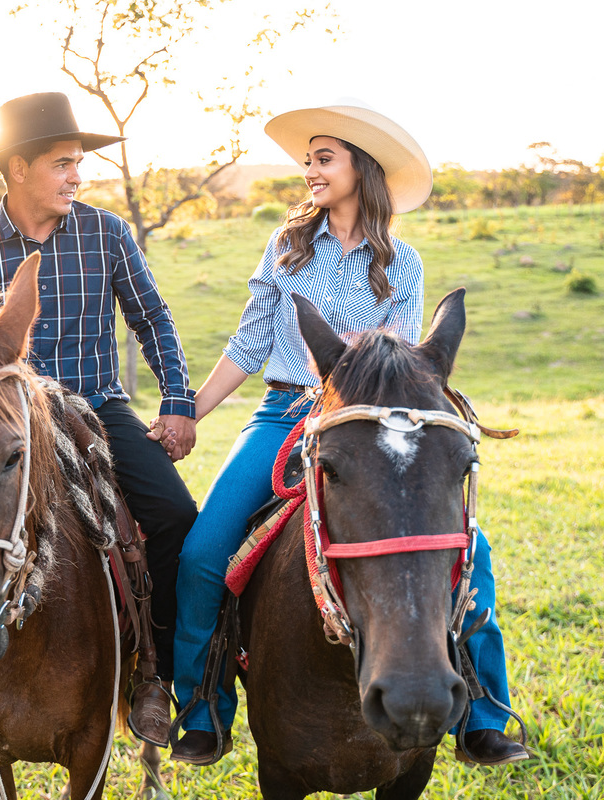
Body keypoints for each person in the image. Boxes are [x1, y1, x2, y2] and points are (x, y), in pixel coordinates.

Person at [166, 99, 529, 768]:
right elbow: (250, 342)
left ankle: (483, 714)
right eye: (308, 160)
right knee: (203, 552)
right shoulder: (286, 248)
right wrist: (190, 411)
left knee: (470, 552)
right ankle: (202, 709)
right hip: (283, 414)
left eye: (323, 159)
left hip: (367, 425)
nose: (310, 170)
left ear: (361, 168)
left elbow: (398, 366)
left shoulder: (403, 263)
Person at [0, 92, 196, 748]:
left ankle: (153, 674)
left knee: (174, 514)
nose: (77, 176)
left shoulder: (107, 233)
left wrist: (177, 400)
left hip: (97, 408)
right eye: (63, 163)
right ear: (19, 168)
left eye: (79, 163)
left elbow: (152, 318)